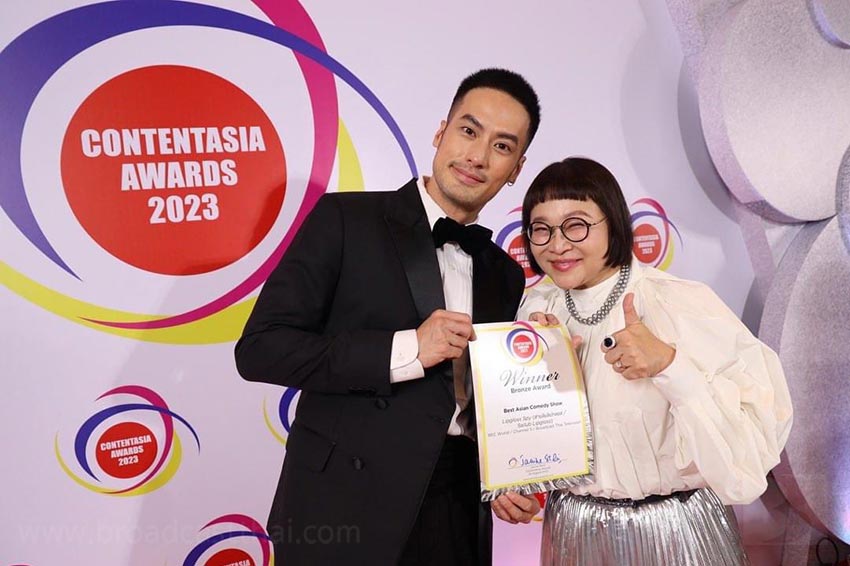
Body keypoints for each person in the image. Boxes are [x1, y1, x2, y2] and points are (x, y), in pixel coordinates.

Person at [235, 68, 541, 566]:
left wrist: (509, 476)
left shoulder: (505, 274)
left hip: (456, 508)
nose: (478, 156)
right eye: (469, 130)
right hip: (344, 504)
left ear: (516, 169)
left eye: (502, 146)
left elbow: (486, 404)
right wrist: (406, 349)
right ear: (441, 132)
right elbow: (260, 349)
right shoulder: (344, 220)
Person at [491, 157, 793, 565]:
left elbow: (748, 453)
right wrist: (518, 486)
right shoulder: (535, 312)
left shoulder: (673, 301)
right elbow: (531, 439)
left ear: (613, 224)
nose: (557, 244)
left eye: (576, 225)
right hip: (574, 529)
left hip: (677, 529)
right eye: (541, 229)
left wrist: (669, 364)